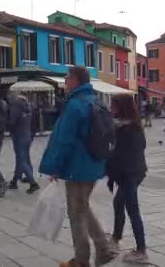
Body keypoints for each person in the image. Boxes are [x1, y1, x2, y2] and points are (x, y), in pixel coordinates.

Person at [39, 67, 116, 267]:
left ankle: (81, 260)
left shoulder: (74, 105)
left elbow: (64, 140)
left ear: (74, 79)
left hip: (77, 167)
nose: (64, 81)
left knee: (76, 215)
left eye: (66, 77)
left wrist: (55, 167)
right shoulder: (96, 101)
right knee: (82, 206)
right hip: (93, 164)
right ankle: (103, 248)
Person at [106, 94, 149, 263]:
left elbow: (119, 155)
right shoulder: (131, 126)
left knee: (132, 210)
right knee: (118, 203)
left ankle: (141, 251)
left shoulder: (127, 129)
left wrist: (108, 166)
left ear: (121, 108)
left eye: (114, 106)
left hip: (129, 174)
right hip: (132, 172)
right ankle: (116, 239)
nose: (111, 109)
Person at [7, 93, 40, 194]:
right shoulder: (29, 107)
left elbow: (12, 122)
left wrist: (6, 125)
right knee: (24, 159)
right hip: (27, 135)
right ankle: (14, 181)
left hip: (18, 136)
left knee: (21, 161)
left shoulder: (15, 107)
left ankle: (33, 183)